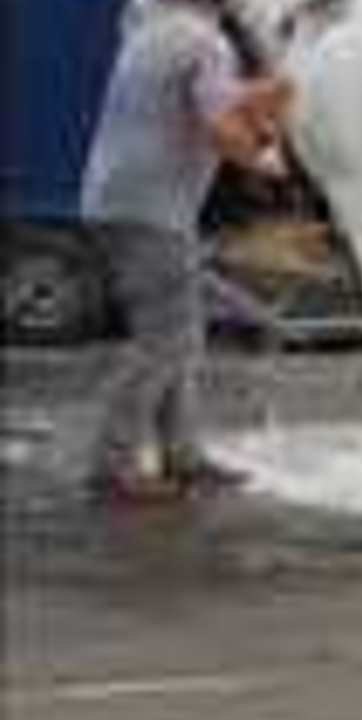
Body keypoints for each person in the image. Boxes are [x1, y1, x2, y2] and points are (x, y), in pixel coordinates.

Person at [81, 0, 293, 501]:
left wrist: (259, 95)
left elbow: (205, 100)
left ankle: (184, 455)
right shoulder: (206, 42)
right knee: (166, 340)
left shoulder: (154, 28)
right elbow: (218, 125)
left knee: (178, 335)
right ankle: (111, 465)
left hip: (119, 200)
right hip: (154, 208)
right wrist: (268, 163)